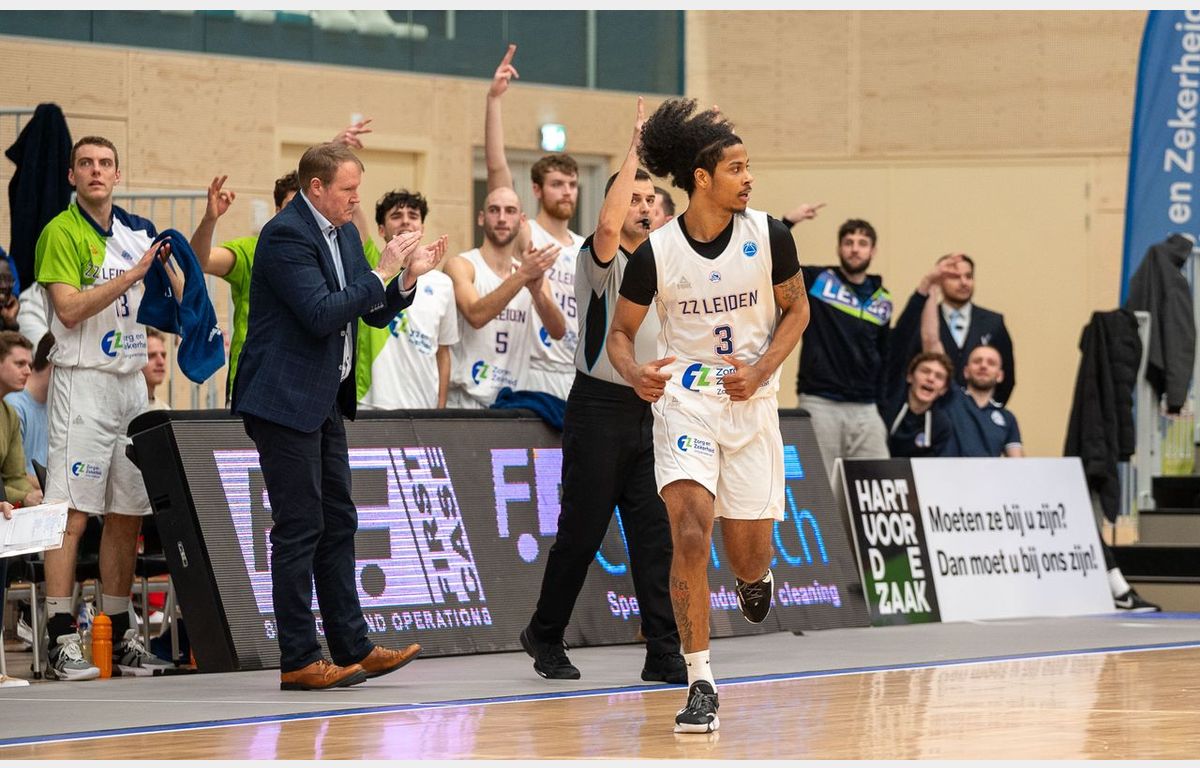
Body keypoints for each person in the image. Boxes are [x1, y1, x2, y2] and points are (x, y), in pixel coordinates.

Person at [608, 98, 809, 733]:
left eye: (749, 167)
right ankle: (700, 682)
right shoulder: (656, 253)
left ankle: (756, 576)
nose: (749, 178)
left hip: (750, 401)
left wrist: (763, 369)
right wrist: (635, 373)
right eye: (736, 168)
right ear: (702, 178)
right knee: (691, 533)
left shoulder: (771, 235)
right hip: (685, 401)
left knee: (746, 557)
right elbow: (620, 335)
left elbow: (797, 311)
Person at [232, 141, 447, 691]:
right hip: (282, 400)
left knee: (339, 521)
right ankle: (299, 658)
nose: (356, 200)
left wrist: (405, 279)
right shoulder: (284, 236)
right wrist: (382, 271)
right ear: (316, 188)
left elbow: (369, 310)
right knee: (299, 527)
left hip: (324, 397)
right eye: (348, 190)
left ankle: (353, 646)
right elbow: (321, 314)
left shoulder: (346, 234)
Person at [521, 98, 684, 685]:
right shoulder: (599, 258)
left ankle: (662, 651)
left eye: (651, 200)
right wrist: (637, 143)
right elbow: (611, 225)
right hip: (598, 409)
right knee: (581, 534)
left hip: (652, 412)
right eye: (633, 197)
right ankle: (545, 634)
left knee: (654, 538)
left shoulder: (670, 267)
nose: (644, 206)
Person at [35, 135, 182, 680]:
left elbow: (179, 293)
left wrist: (178, 262)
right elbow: (69, 310)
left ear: (118, 174)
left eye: (105, 163)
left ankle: (119, 633)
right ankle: (59, 633)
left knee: (126, 512)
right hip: (83, 383)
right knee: (72, 513)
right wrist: (132, 275)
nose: (96, 171)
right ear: (72, 175)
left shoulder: (138, 232)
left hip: (131, 385)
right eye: (86, 163)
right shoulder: (61, 231)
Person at [191, 121, 374, 398]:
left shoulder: (334, 239)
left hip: (313, 381)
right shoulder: (256, 248)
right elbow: (199, 261)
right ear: (278, 210)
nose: (304, 217)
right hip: (266, 379)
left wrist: (333, 154)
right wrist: (209, 220)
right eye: (294, 207)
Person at [486, 45, 584, 400]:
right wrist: (494, 101)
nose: (567, 191)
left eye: (572, 184)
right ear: (537, 190)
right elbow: (497, 171)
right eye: (557, 184)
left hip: (575, 370)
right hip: (535, 369)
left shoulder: (584, 246)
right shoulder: (527, 231)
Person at [443, 187, 565, 409]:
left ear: (522, 220)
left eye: (510, 211)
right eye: (494, 210)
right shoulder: (461, 265)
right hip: (466, 400)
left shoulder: (529, 272)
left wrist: (537, 293)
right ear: (481, 218)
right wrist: (522, 276)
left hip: (512, 403)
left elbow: (558, 331)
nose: (501, 218)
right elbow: (476, 315)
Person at [790, 214, 893, 473]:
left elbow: (885, 355)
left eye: (862, 243)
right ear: (838, 248)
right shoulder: (818, 280)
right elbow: (776, 263)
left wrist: (882, 405)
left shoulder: (882, 299)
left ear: (873, 251)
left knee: (877, 482)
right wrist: (788, 222)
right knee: (821, 483)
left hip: (867, 408)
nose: (855, 249)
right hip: (821, 402)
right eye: (849, 242)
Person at [356, 190, 458, 409]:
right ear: (381, 230)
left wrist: (440, 408)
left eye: (413, 216)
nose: (405, 221)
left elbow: (443, 351)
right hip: (372, 403)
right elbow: (354, 209)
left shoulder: (443, 284)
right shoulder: (373, 266)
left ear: (422, 227)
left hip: (423, 406)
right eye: (396, 216)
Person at [893, 253, 1016, 405]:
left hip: (978, 410)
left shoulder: (993, 322)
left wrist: (986, 411)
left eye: (968, 276)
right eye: (955, 277)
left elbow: (1007, 375)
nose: (964, 282)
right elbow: (902, 362)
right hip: (932, 408)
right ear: (939, 281)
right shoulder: (924, 321)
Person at [882, 351, 956, 458]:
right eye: (925, 371)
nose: (930, 379)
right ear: (910, 377)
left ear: (943, 390)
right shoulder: (885, 408)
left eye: (939, 376)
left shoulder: (942, 425)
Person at [5, 331, 52, 479]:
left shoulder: (53, 406)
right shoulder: (13, 404)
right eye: (20, 364)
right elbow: (11, 475)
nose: (27, 371)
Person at [142, 328, 170, 411]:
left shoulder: (165, 410)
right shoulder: (125, 410)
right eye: (151, 356)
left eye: (163, 355)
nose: (161, 362)